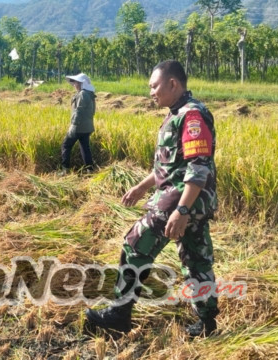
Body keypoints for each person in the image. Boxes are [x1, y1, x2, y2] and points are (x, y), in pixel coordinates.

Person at [85, 60, 219, 338]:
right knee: (196, 260)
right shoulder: (176, 113)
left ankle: (119, 314)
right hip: (185, 201)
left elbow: (198, 168)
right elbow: (167, 167)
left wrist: (181, 210)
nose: (151, 92)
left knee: (135, 244)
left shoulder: (191, 115)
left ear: (173, 83)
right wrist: (142, 187)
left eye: (154, 86)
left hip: (179, 201)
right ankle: (207, 324)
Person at [59, 73, 96, 175]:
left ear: (81, 83)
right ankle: (90, 170)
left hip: (78, 126)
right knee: (85, 148)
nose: (74, 85)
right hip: (87, 127)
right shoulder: (90, 94)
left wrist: (73, 125)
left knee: (66, 145)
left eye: (75, 83)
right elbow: (92, 112)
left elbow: (78, 111)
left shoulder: (83, 94)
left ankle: (65, 170)